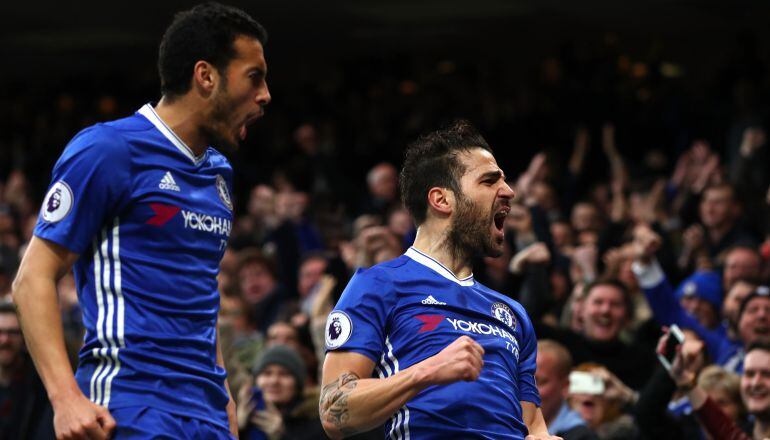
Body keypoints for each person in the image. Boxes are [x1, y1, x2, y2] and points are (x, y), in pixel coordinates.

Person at [11, 3, 271, 438]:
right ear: (206, 76)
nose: (265, 95)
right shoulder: (109, 149)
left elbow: (200, 294)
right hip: (130, 405)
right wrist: (65, 399)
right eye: (254, 76)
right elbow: (32, 278)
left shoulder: (219, 173)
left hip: (207, 416)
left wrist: (224, 397)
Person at [319, 121, 559, 439]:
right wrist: (428, 371)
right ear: (442, 200)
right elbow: (334, 410)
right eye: (489, 181)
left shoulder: (512, 313)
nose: (509, 191)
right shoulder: (378, 285)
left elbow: (532, 425)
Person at [238, 345, 325, 440]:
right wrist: (237, 428)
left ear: (298, 383)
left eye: (284, 374)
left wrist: (282, 436)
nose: (274, 381)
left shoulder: (317, 422)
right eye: (267, 373)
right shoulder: (243, 417)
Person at [536, 340, 596, 440]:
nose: (526, 391)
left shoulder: (581, 436)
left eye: (540, 382)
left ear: (565, 386)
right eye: (522, 381)